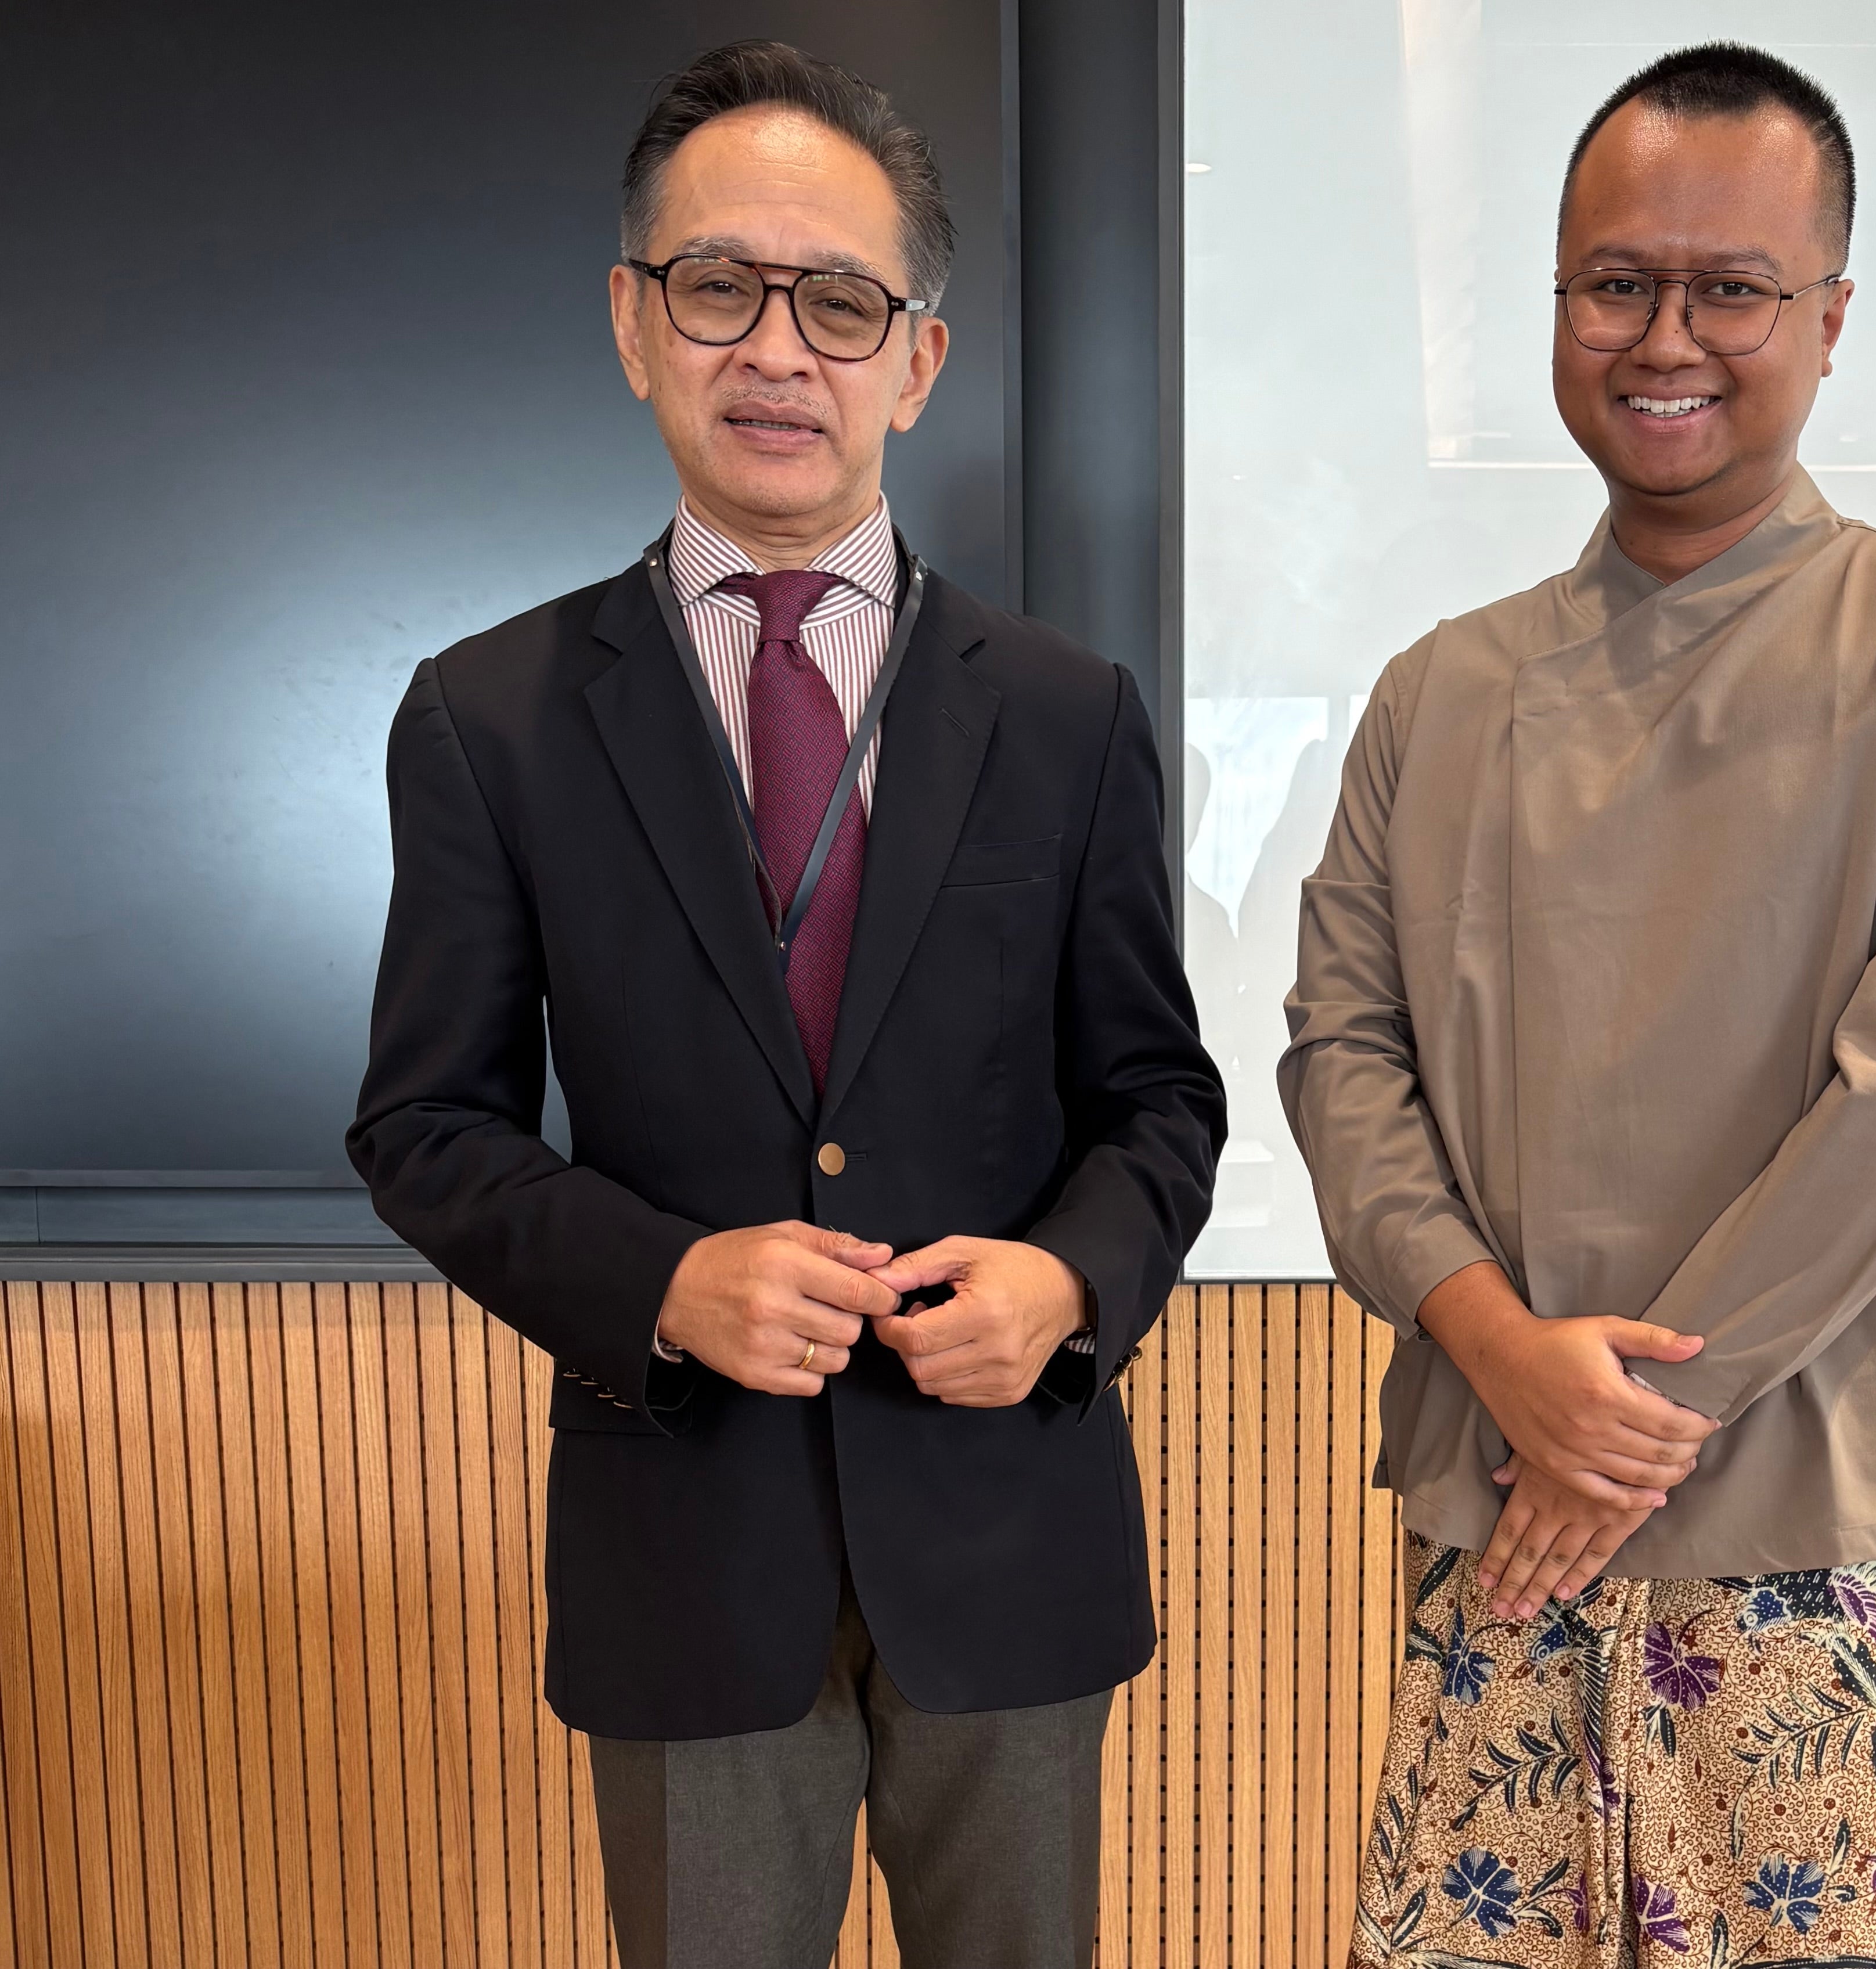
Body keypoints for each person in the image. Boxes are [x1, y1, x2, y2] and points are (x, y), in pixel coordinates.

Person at [348, 41, 1222, 1969]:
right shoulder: (490, 719)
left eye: (840, 302)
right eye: (718, 287)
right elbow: (425, 1128)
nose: (777, 349)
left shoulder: (1067, 714)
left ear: (918, 358)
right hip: (687, 1548)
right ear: (631, 322)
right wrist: (663, 1283)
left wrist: (1069, 1287)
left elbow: (1161, 1101)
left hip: (1008, 1533)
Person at [1281, 42, 1876, 1968]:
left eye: (1733, 288)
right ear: (1557, 303)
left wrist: (1638, 1416)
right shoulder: (1437, 693)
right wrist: (1497, 1343)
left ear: (1830, 318)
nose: (1667, 338)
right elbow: (1340, 1053)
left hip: (1813, 1534)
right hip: (1501, 1512)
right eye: (1617, 283)